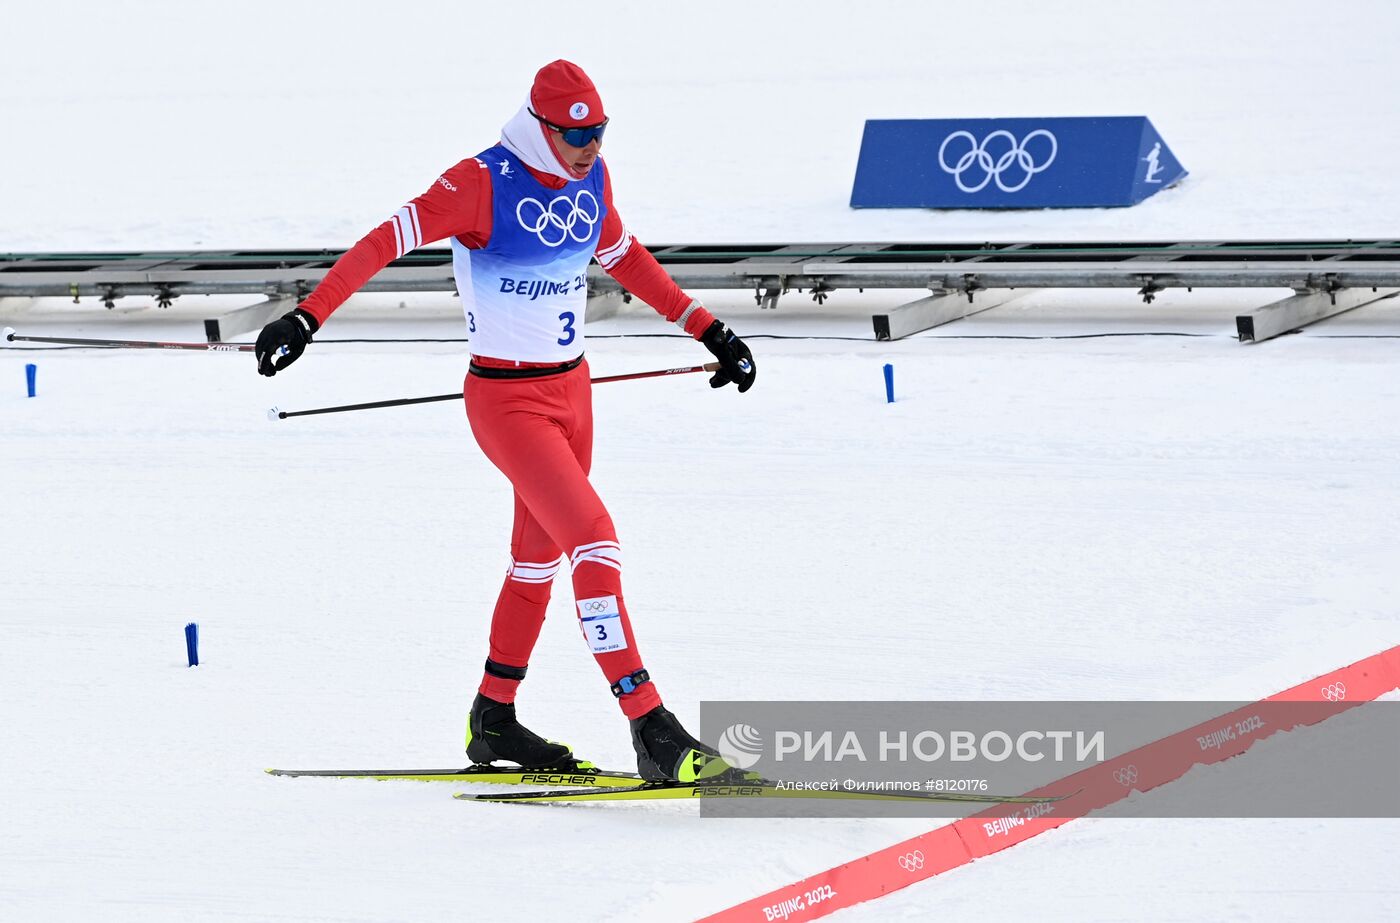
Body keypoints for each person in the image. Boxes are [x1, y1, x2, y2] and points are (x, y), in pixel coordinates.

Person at [254, 60, 756, 784]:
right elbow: (382, 241)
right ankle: (652, 726)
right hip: (508, 404)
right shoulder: (479, 183)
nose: (589, 147)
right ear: (542, 126)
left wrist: (710, 331)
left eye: (600, 132)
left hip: (574, 395)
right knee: (595, 541)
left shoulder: (592, 178)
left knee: (536, 563)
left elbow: (626, 257)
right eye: (575, 134)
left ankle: (493, 716)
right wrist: (309, 315)